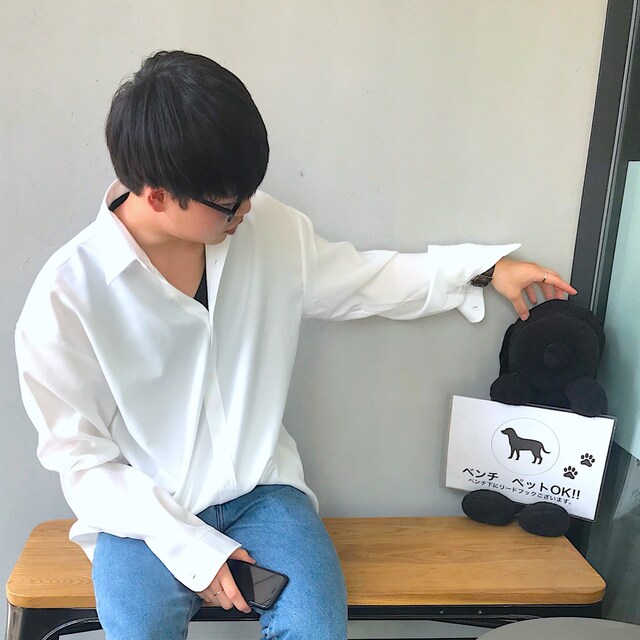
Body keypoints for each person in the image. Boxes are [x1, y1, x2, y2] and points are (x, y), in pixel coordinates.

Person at [14, 50, 576, 640]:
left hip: (263, 493)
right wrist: (192, 549)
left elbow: (364, 280)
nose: (246, 209)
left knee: (316, 627)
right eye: (228, 203)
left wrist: (487, 270)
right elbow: (81, 463)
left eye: (249, 191)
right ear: (155, 195)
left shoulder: (264, 227)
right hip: (144, 515)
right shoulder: (66, 298)